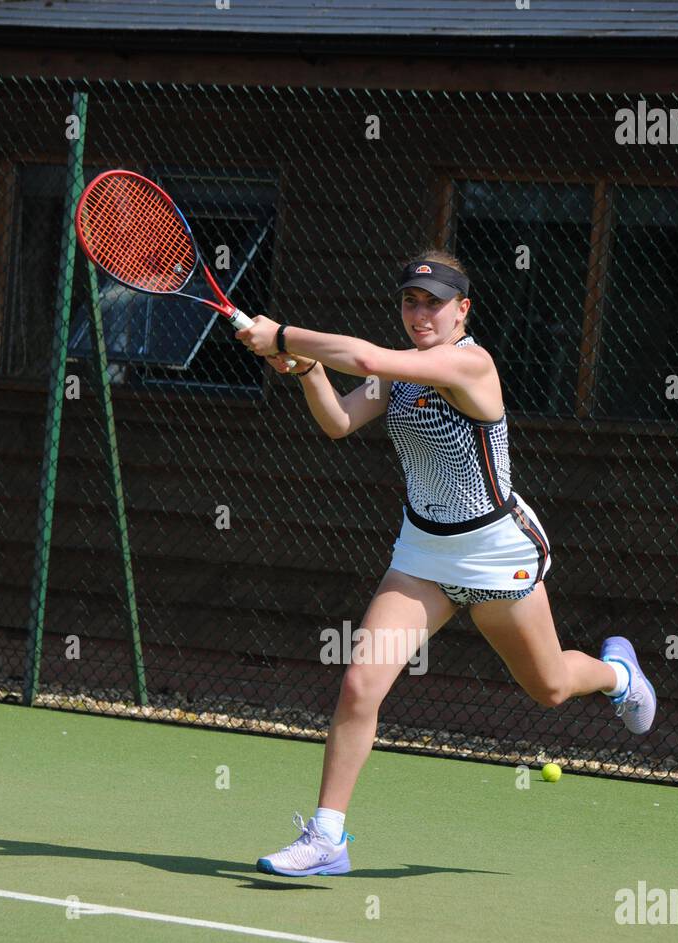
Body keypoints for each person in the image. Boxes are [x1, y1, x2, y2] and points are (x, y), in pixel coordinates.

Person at [235, 252, 656, 877]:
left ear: (463, 310)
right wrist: (305, 371)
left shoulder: (470, 362)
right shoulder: (399, 375)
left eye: (434, 302)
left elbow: (372, 358)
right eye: (411, 300)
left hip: (496, 554)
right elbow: (339, 422)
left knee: (550, 688)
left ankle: (617, 676)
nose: (420, 312)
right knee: (359, 684)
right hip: (422, 554)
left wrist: (285, 335)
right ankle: (328, 837)